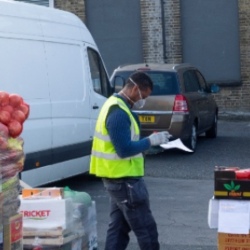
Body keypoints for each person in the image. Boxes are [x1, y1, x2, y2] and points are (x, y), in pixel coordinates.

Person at [89, 71, 171, 250]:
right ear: (135, 88)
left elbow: (126, 142)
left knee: (118, 228)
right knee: (146, 229)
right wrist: (150, 141)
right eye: (144, 96)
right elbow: (124, 149)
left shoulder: (115, 104)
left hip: (118, 178)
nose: (143, 100)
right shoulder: (118, 112)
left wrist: (148, 142)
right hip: (125, 181)